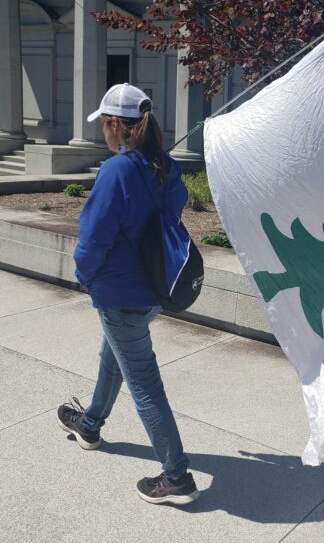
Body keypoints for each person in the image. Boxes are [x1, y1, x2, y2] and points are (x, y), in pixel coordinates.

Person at [57, 83, 200, 506]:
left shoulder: (119, 170)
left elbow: (93, 238)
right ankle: (89, 423)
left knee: (144, 385)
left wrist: (83, 274)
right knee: (113, 356)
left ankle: (177, 477)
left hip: (121, 295)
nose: (103, 131)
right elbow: (169, 213)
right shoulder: (166, 167)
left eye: (104, 124)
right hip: (155, 289)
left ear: (116, 124)